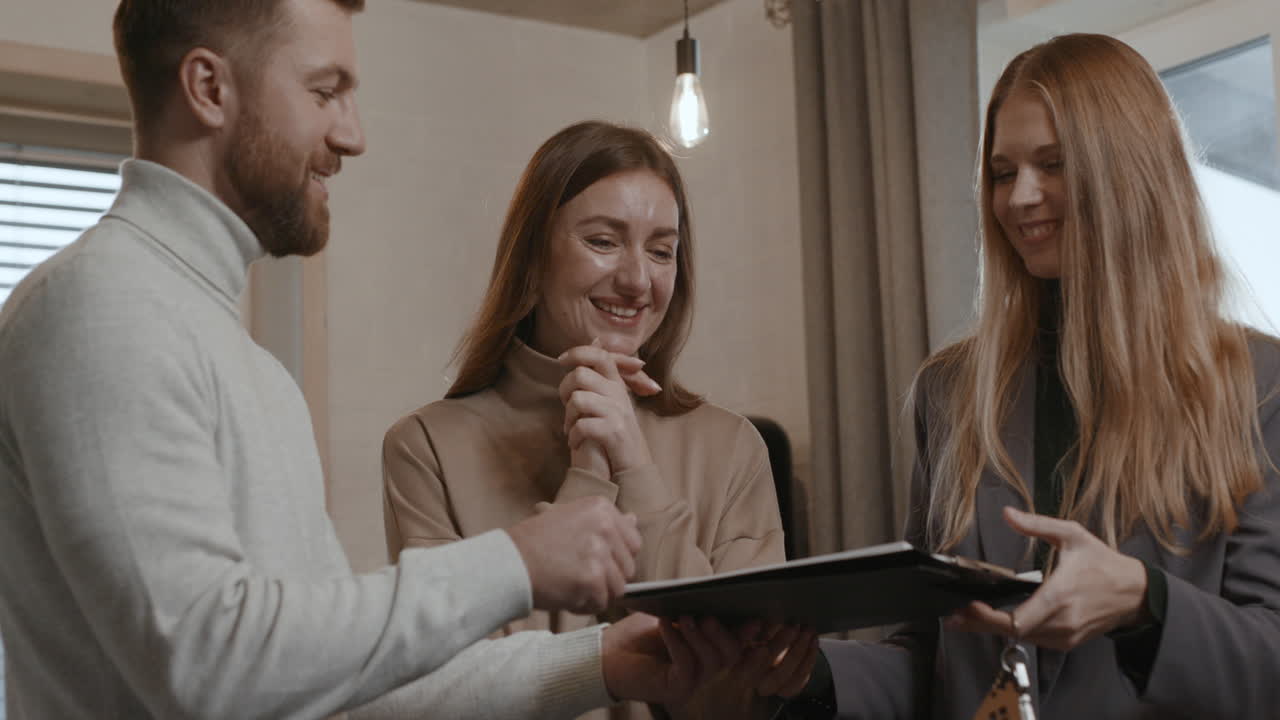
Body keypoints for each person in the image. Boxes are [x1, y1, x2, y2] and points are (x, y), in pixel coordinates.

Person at [0, 2, 702, 718]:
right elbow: (204, 664)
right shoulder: (99, 305)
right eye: (324, 91)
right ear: (209, 88)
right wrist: (514, 563)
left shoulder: (250, 367)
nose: (353, 134)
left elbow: (347, 689)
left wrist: (603, 662)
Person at [779, 33, 1280, 719]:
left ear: (1130, 174)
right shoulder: (951, 391)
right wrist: (804, 675)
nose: (1020, 198)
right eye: (1002, 172)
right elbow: (931, 659)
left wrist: (1143, 601)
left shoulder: (1260, 386)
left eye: (1053, 164)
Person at [381, 120, 816, 718]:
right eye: (604, 241)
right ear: (533, 256)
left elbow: (731, 702)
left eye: (661, 251)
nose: (638, 280)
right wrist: (589, 469)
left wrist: (634, 466)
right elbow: (463, 696)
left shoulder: (734, 446)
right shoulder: (425, 448)